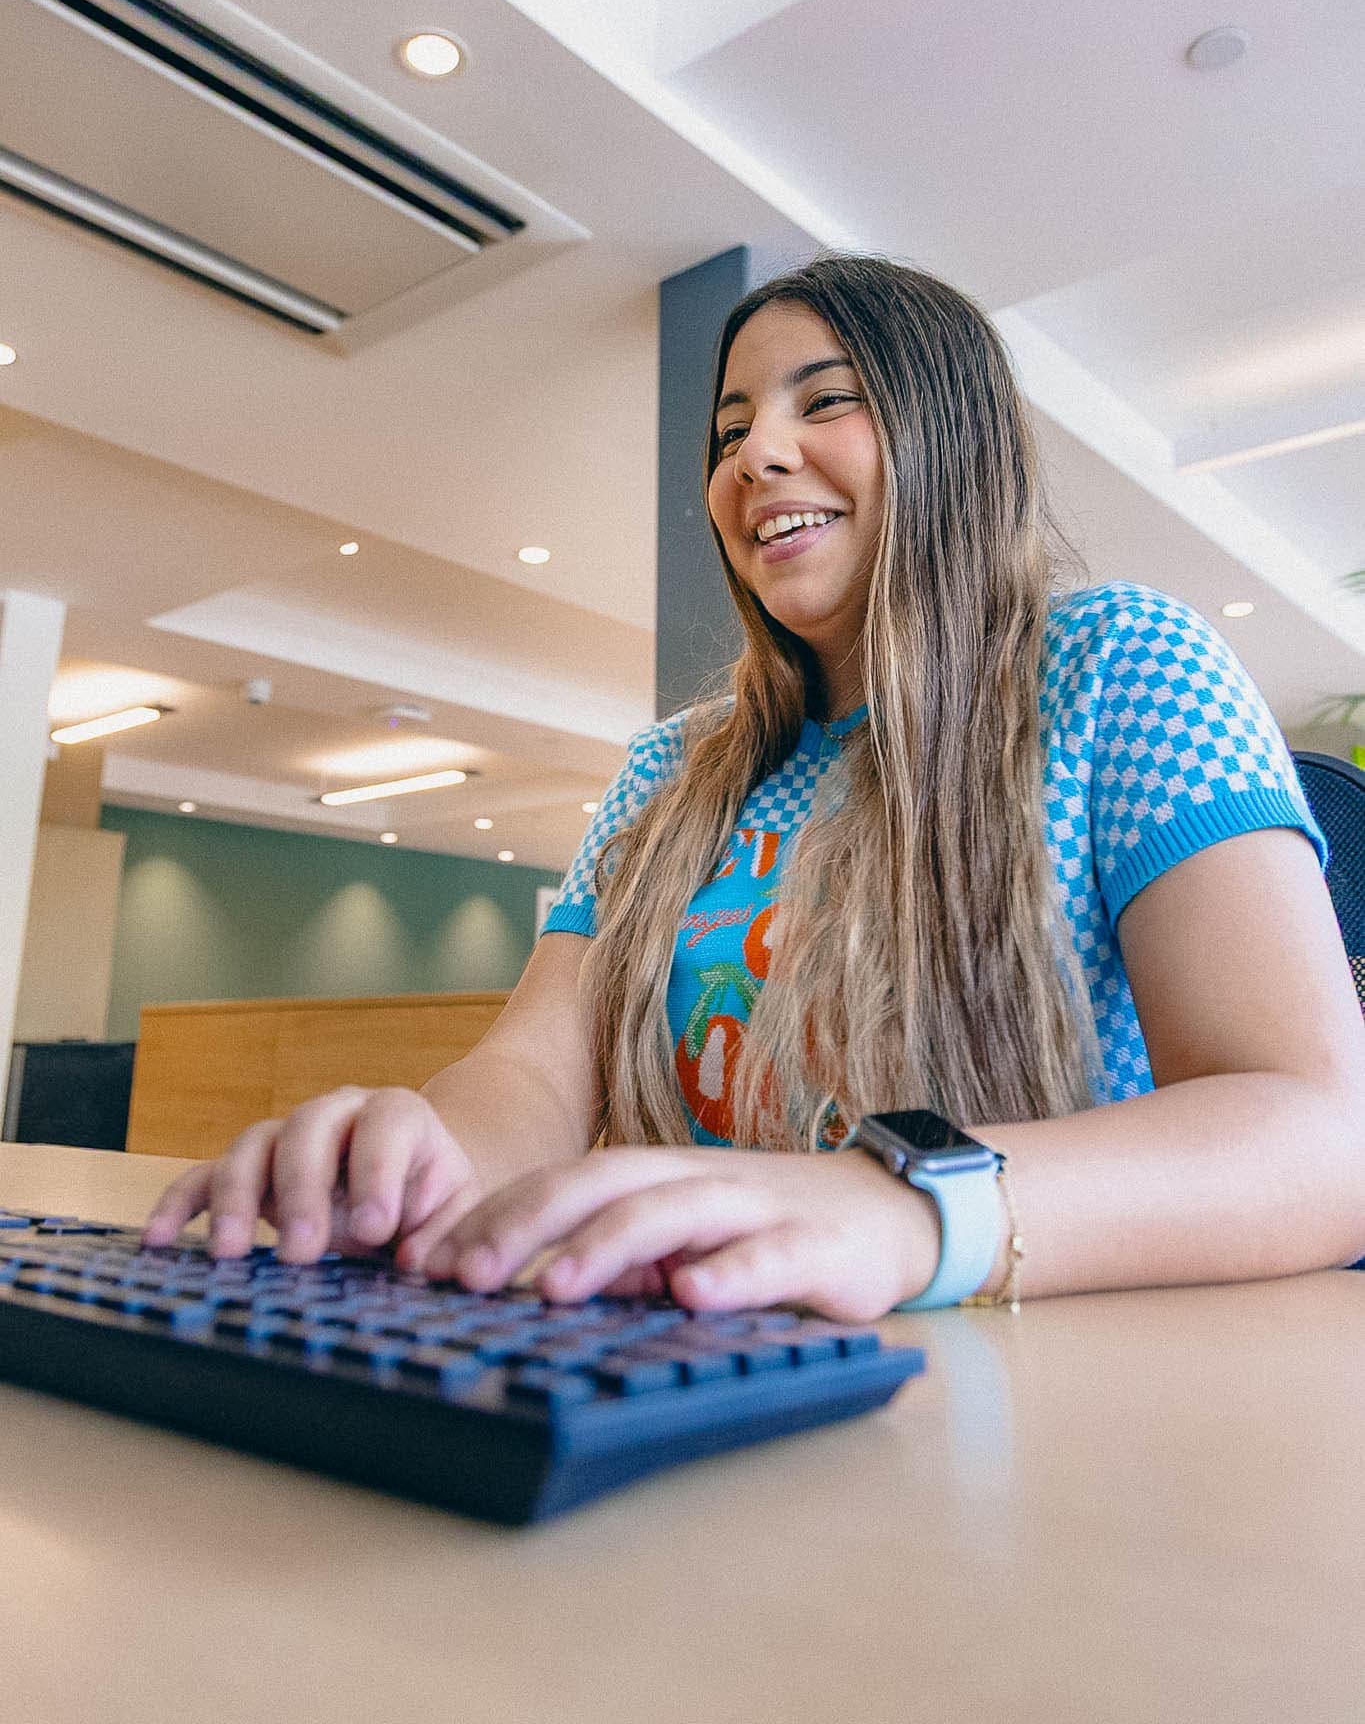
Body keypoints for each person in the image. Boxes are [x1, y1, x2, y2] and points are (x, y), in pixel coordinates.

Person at [144, 257, 1365, 1319]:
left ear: (956, 434)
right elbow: (531, 1078)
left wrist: (898, 1209)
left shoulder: (1124, 663)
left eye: (823, 400)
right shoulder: (669, 769)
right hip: (714, 1363)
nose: (755, 457)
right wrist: (417, 1152)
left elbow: (1317, 1131)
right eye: (729, 434)